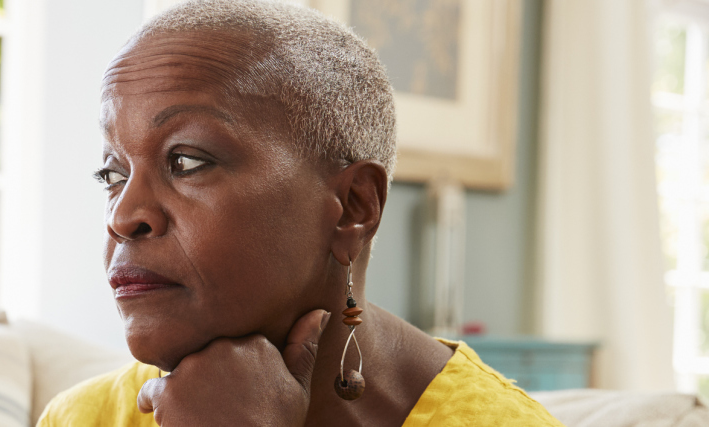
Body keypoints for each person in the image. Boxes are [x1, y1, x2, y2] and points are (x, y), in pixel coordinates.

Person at [36, 1, 563, 426]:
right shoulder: (82, 417)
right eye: (113, 174)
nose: (123, 216)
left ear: (353, 207)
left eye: (187, 161)